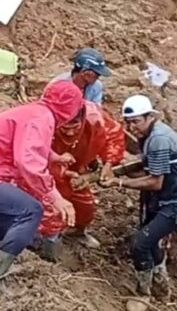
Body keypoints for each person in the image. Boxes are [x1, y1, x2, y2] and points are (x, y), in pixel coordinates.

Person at [101, 95, 177, 303]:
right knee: (150, 239)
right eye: (128, 122)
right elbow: (146, 170)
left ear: (149, 117)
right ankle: (161, 287)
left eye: (136, 121)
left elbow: (155, 182)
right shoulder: (148, 135)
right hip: (165, 197)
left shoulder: (158, 139)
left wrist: (119, 182)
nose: (132, 127)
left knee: (140, 243)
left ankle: (143, 292)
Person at [0, 80, 83, 278]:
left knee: (13, 212)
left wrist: (53, 157)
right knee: (31, 211)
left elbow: (24, 143)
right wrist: (55, 197)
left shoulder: (35, 112)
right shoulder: (41, 118)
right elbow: (27, 161)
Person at [38, 100, 127, 253]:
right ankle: (43, 242)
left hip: (78, 166)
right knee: (50, 207)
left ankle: (76, 233)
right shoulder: (42, 123)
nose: (70, 133)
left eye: (75, 127)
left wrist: (109, 162)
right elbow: (33, 158)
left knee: (85, 206)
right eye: (66, 128)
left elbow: (114, 136)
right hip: (47, 169)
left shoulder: (95, 118)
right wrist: (60, 171)